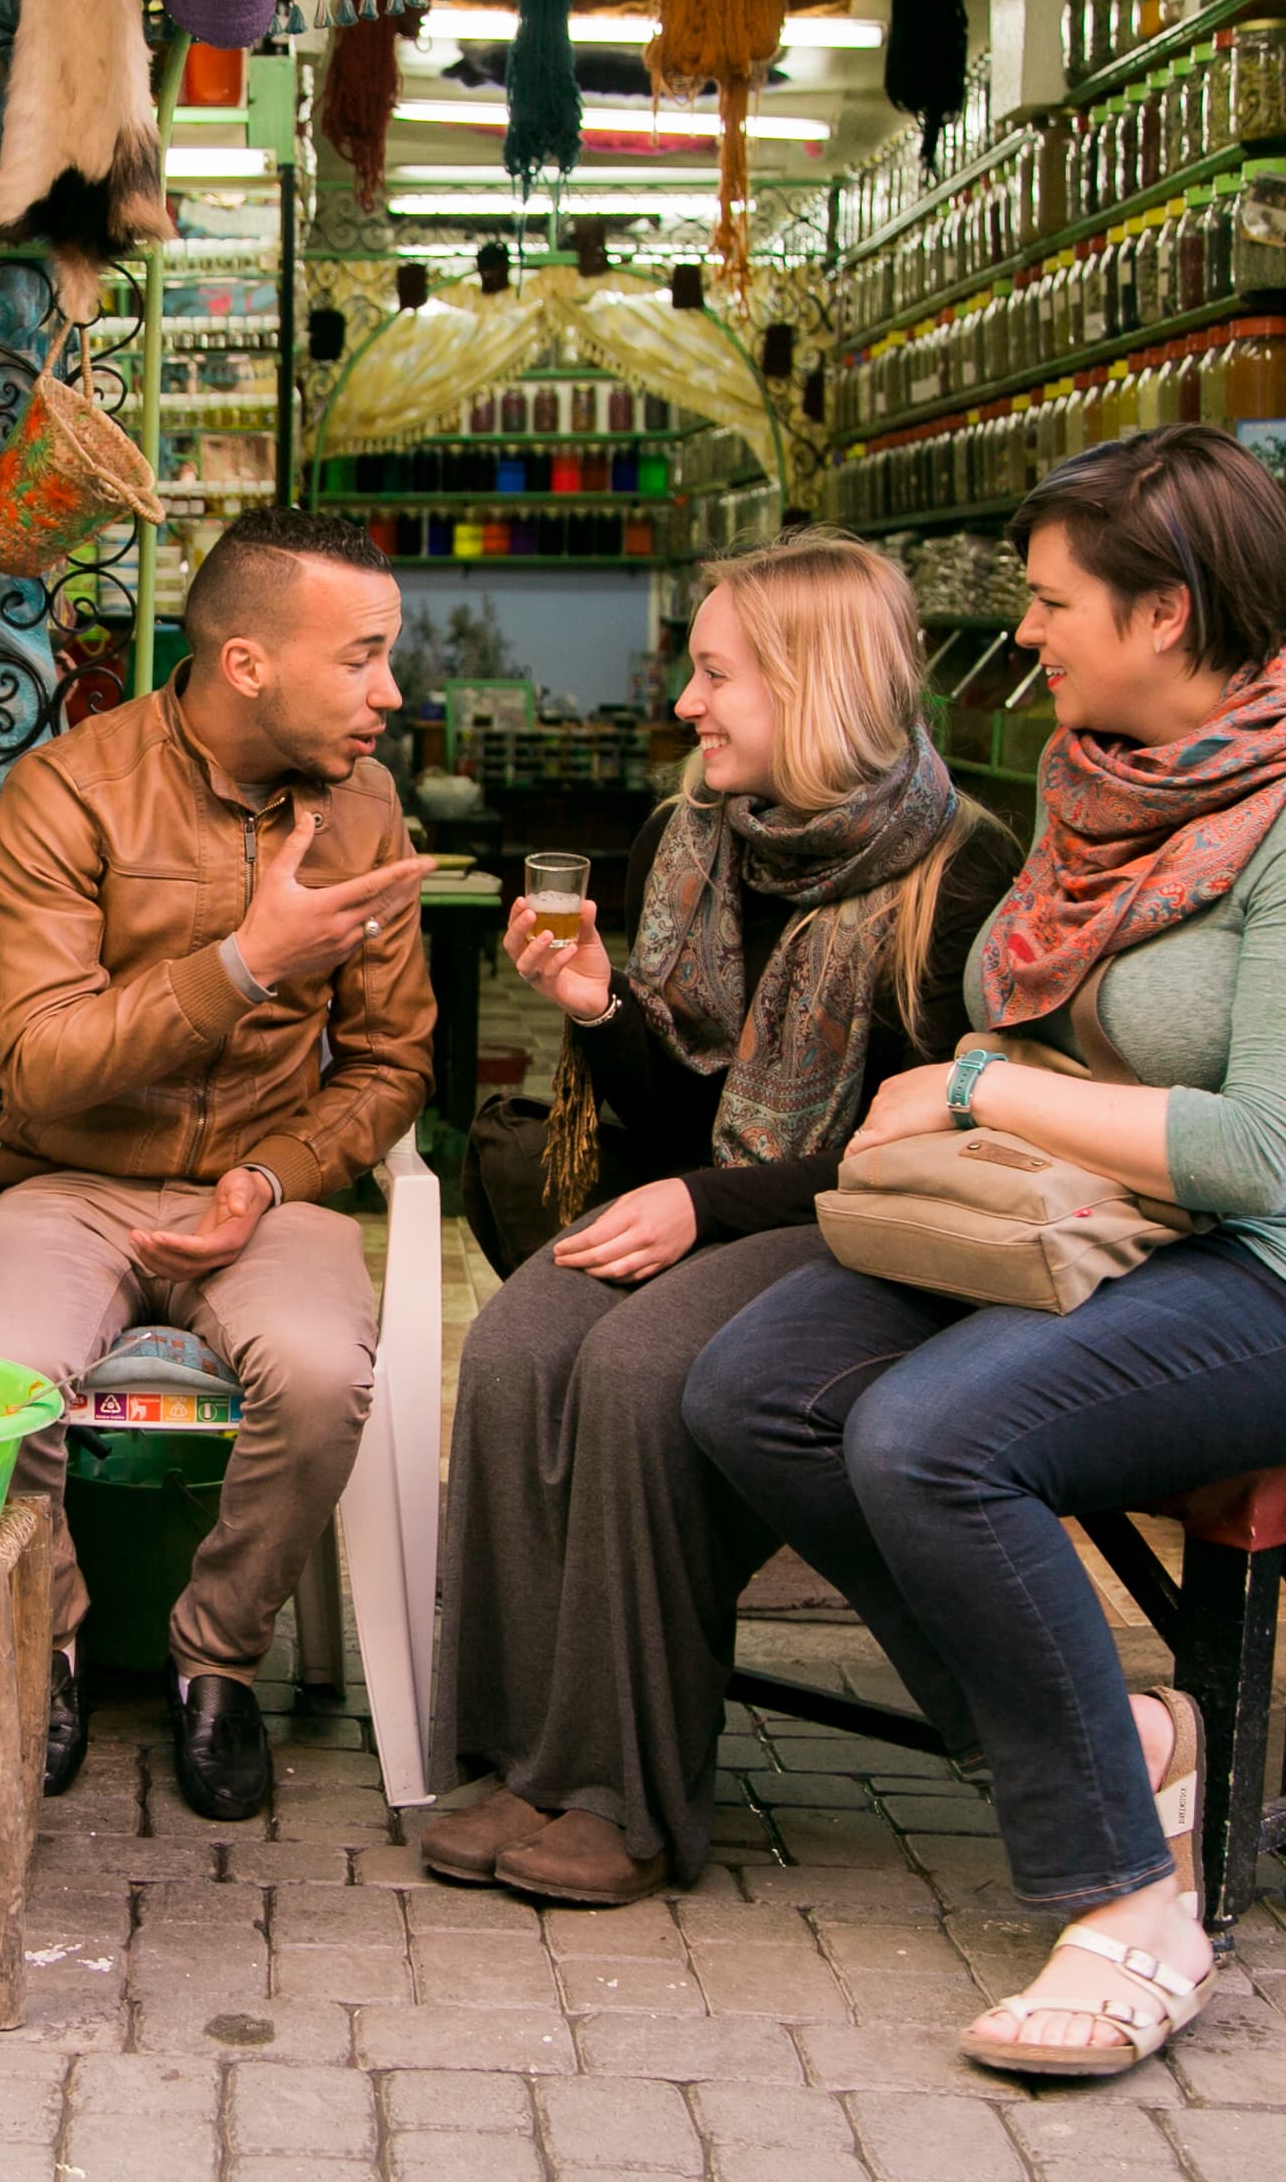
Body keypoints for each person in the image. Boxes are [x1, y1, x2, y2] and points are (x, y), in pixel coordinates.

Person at [682, 427, 1286, 2078]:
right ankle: (1125, 1739)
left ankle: (1133, 1898)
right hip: (1117, 1232)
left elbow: (1260, 1151)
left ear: (1168, 613)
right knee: (758, 1385)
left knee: (932, 1436)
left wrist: (985, 1084)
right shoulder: (1113, 784)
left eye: (1059, 603)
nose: (1029, 635)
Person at [426, 528, 1019, 1907]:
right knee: (520, 1343)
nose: (687, 706)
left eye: (715, 675)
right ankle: (524, 1758)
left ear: (812, 685)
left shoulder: (956, 874)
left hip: (867, 1236)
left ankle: (626, 1799)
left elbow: (929, 1158)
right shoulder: (694, 837)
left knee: (638, 1372)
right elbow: (668, 1127)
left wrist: (703, 1207)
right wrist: (595, 1014)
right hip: (716, 1203)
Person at [0, 506, 436, 1822]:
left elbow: (394, 1062)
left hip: (265, 1188)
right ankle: (39, 1642)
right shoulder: (70, 791)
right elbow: (40, 1068)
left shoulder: (368, 806)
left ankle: (214, 1660)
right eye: (363, 659)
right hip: (67, 1183)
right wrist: (246, 965)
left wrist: (266, 1181)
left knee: (326, 1373)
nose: (391, 693)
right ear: (246, 667)